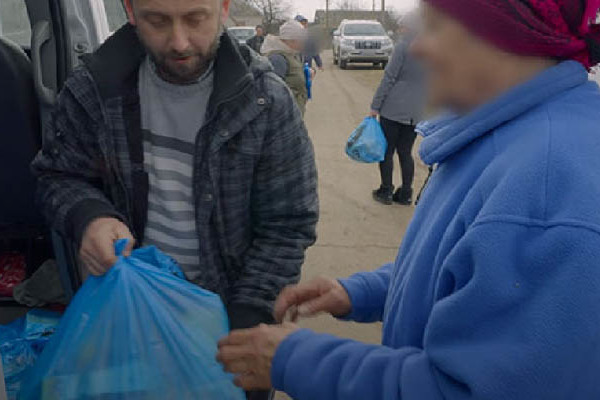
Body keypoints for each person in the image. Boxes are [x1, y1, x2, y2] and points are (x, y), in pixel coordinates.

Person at [217, 1, 600, 399]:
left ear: (503, 35)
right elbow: (465, 268)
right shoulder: (507, 136)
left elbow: (467, 390)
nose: (416, 48)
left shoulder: (548, 188)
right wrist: (362, 292)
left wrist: (294, 360)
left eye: (435, 26)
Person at [32, 0, 318, 399]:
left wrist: (245, 324)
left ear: (223, 8)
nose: (179, 41)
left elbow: (288, 224)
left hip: (227, 319)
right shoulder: (95, 88)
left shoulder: (265, 102)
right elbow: (58, 174)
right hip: (127, 316)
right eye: (158, 21)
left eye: (195, 19)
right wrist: (89, 217)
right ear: (130, 11)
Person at [371, 11, 426, 206]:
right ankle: (406, 193)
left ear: (408, 27)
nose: (400, 29)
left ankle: (386, 190)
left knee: (386, 151)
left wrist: (375, 106)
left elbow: (389, 77)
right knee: (405, 152)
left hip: (394, 107)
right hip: (416, 110)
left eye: (402, 26)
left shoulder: (403, 47)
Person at [261, 20, 310, 115]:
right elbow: (273, 94)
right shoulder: (277, 59)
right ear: (291, 40)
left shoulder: (290, 54)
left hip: (292, 114)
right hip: (284, 118)